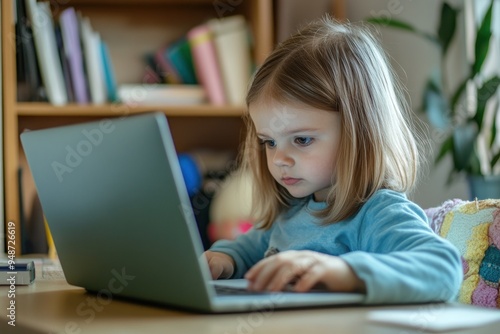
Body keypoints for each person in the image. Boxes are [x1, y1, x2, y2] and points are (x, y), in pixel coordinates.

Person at [204, 15, 462, 304]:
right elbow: (246, 249)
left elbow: (443, 269)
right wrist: (222, 258)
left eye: (301, 140)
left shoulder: (378, 213)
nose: (279, 159)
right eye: (269, 142)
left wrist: (346, 271)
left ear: (360, 133)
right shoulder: (291, 214)